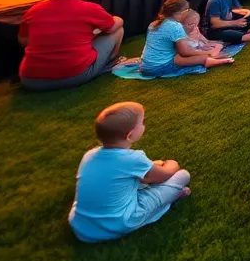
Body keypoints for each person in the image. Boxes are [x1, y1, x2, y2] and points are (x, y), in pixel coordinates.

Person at [68, 102, 191, 242]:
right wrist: (170, 163)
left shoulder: (89, 155)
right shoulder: (133, 159)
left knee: (139, 179)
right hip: (118, 224)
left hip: (80, 226)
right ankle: (169, 200)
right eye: (142, 122)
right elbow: (165, 174)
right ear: (130, 135)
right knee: (183, 175)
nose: (144, 124)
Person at [17, 0, 124, 91]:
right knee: (117, 30)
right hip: (74, 76)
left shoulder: (33, 10)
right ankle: (108, 64)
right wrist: (118, 19)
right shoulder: (90, 9)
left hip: (30, 80)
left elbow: (23, 40)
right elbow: (112, 28)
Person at [139, 0, 233, 77]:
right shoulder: (175, 26)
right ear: (181, 12)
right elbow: (185, 52)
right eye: (187, 10)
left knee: (179, 56)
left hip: (144, 67)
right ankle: (211, 60)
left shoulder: (153, 24)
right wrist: (208, 52)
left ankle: (209, 59)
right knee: (195, 57)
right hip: (160, 67)